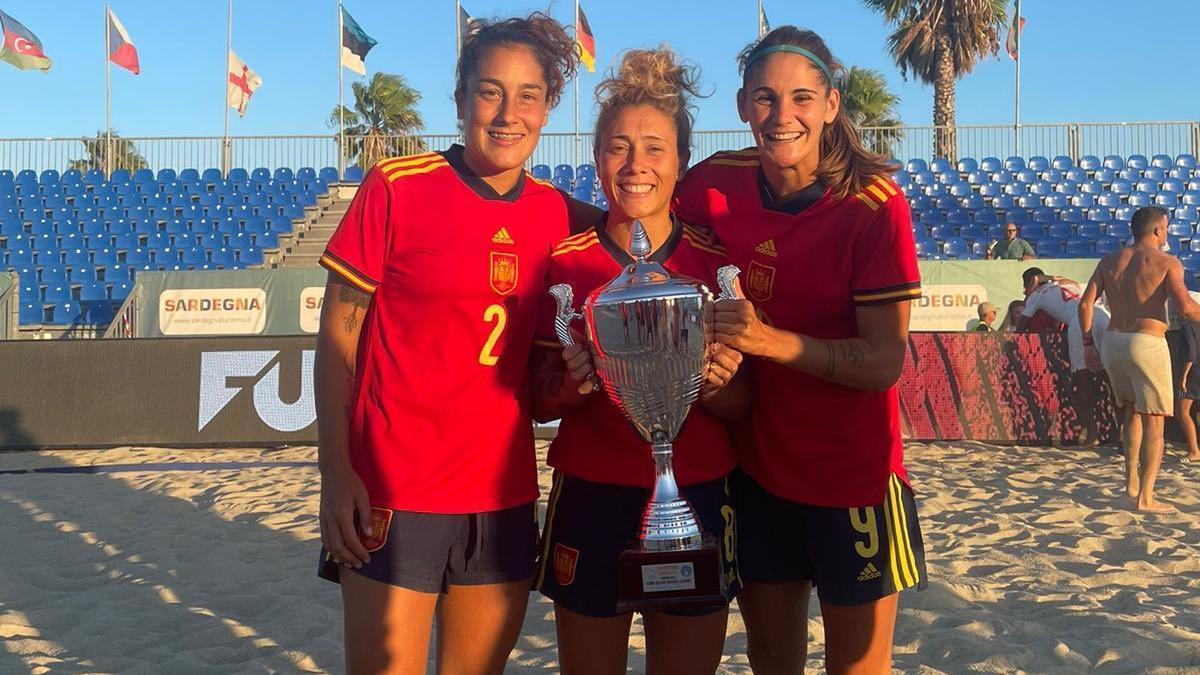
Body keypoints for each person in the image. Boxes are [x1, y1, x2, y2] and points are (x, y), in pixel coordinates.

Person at [313, 15, 581, 674]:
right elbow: (336, 335)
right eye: (490, 91)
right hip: (394, 489)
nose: (507, 112)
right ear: (460, 100)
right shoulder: (396, 188)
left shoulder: (558, 214)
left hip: (503, 495)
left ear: (548, 107)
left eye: (527, 94)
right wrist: (335, 470)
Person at [673, 26, 927, 674]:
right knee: (771, 659)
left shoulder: (874, 206)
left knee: (859, 665)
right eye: (765, 98)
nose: (782, 116)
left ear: (832, 105)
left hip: (856, 480)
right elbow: (634, 218)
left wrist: (771, 343)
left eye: (801, 98)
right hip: (758, 476)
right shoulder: (711, 184)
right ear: (741, 106)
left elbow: (884, 362)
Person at [529, 47, 749, 675]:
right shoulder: (566, 263)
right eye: (617, 146)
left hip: (700, 491)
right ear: (597, 156)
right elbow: (539, 398)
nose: (635, 165)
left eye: (654, 147)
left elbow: (744, 404)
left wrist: (714, 383)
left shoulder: (714, 264)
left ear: (681, 160)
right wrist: (572, 387)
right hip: (591, 495)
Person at [1080, 206, 1200, 513]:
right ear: (1158, 230)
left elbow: (1085, 305)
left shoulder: (1109, 261)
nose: (1168, 233)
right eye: (1167, 228)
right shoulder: (1166, 262)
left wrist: (1088, 344)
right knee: (1155, 421)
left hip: (1112, 341)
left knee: (1131, 412)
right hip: (1146, 342)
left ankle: (1130, 484)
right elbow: (1185, 306)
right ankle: (1146, 497)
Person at [1016, 267, 1112, 445]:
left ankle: (1091, 431)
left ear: (1028, 283)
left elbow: (1021, 327)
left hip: (1080, 320)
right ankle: (1120, 427)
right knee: (1110, 374)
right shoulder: (1068, 284)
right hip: (1103, 316)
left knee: (1081, 378)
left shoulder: (1036, 295)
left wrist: (1030, 292)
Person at [1173, 298, 1200, 464]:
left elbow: (1190, 353)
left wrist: (1183, 376)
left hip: (1192, 373)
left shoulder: (1187, 326)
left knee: (1182, 411)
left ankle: (1194, 449)